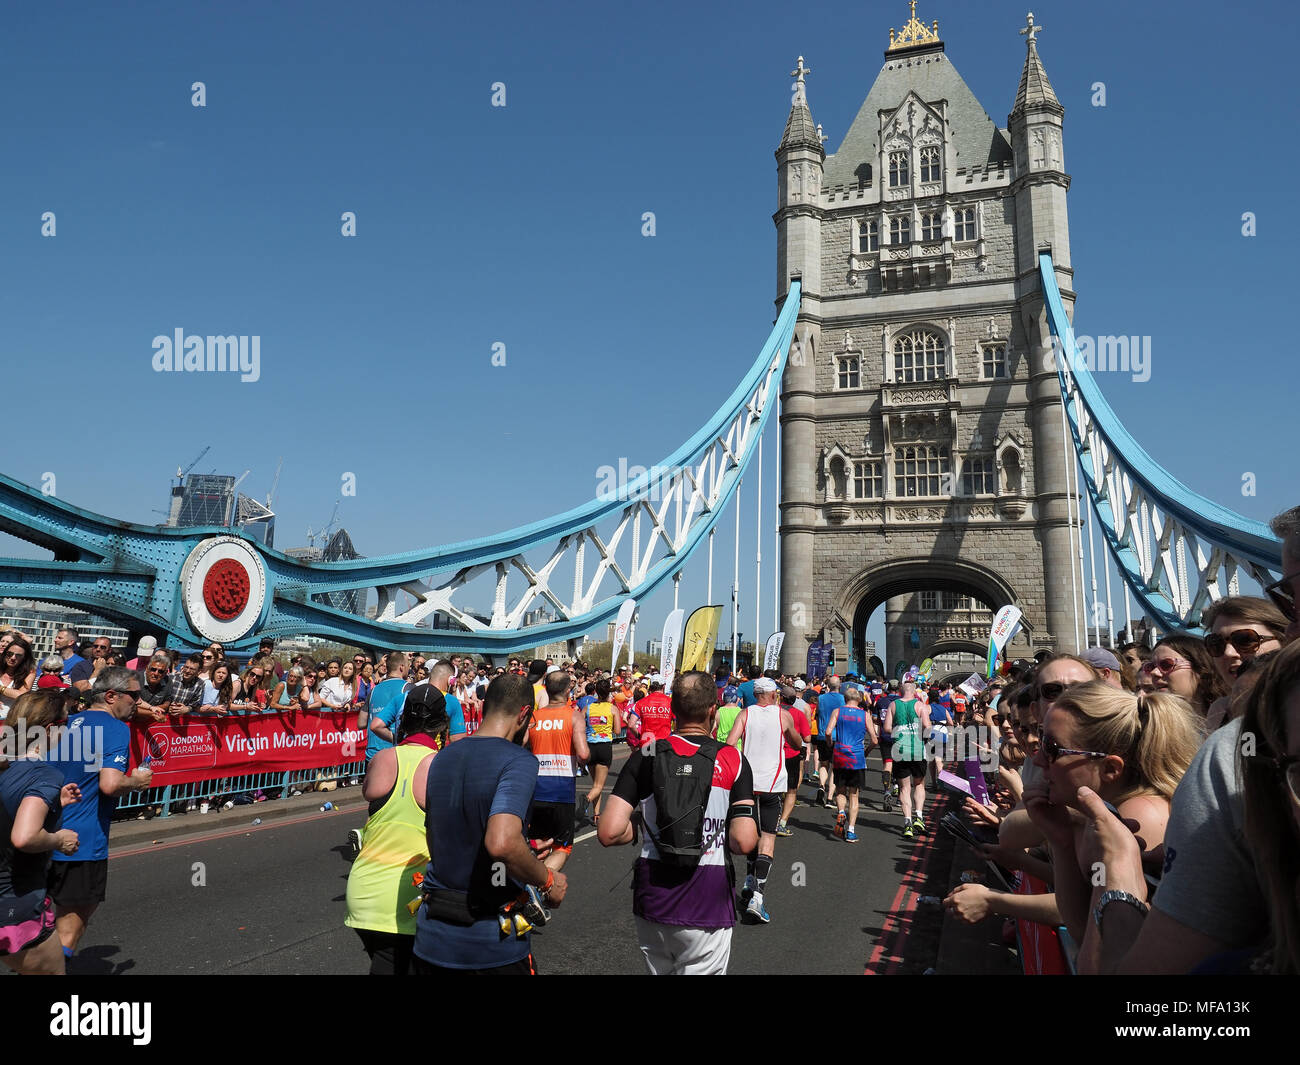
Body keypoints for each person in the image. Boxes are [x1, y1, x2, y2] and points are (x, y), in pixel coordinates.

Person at [1020, 682, 1202, 972]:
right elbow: (1082, 931)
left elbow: (1095, 964)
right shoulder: (1113, 814)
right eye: (1041, 740)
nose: (1038, 759)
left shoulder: (1139, 818)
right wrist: (1062, 841)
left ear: (1110, 769)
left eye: (1052, 748)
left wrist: (1110, 875)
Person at [598, 670, 757, 974]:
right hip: (708, 896)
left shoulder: (645, 755)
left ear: (673, 709)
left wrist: (643, 825)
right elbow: (744, 841)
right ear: (714, 709)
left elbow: (608, 832)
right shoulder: (733, 759)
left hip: (653, 892)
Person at [412, 673, 566, 975]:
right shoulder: (518, 760)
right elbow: (503, 841)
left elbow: (435, 837)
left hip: (432, 937)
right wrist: (548, 879)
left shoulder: (441, 759)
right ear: (524, 713)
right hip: (490, 944)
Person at [46, 667, 154, 962]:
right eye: (134, 695)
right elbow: (110, 784)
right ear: (111, 696)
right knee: (72, 923)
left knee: (45, 921)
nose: (139, 702)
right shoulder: (116, 728)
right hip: (83, 840)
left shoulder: (66, 722)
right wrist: (137, 781)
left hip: (43, 836)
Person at [345, 685, 449, 975]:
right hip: (409, 895)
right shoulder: (441, 766)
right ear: (442, 724)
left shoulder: (382, 759)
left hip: (364, 890)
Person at [0, 690, 82, 975]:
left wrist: (50, 802)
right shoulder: (44, 774)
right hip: (15, 904)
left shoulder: (6, 765)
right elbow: (23, 836)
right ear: (50, 728)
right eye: (66, 724)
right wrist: (60, 838)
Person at [724, 677, 804, 923]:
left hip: (746, 783)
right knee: (767, 840)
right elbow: (797, 742)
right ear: (771, 695)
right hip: (772, 785)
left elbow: (729, 743)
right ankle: (757, 897)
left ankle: (749, 880)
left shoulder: (745, 714)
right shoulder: (782, 716)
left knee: (751, 836)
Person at [523, 670, 588, 910]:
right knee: (562, 846)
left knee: (535, 842)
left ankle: (521, 887)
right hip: (561, 789)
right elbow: (582, 754)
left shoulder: (535, 716)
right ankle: (536, 883)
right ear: (568, 690)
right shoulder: (574, 715)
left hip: (535, 788)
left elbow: (520, 746)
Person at [821, 685, 875, 842]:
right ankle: (851, 831)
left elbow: (828, 732)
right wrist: (866, 752)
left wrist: (830, 744)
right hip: (856, 757)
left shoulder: (837, 711)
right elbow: (874, 739)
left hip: (840, 755)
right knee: (854, 794)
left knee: (840, 790)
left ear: (845, 699)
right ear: (859, 700)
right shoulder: (864, 715)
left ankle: (841, 813)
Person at [1137, 632, 1227, 719]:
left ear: (1200, 670)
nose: (1154, 672)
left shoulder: (1232, 720)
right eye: (1150, 667)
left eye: (1166, 665)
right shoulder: (1148, 725)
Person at [885, 679, 931, 839]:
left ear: (900, 692)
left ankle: (908, 823)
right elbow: (927, 725)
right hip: (918, 750)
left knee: (904, 788)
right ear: (914, 692)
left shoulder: (893, 705)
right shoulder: (920, 706)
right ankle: (919, 815)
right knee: (919, 784)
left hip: (900, 750)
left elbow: (886, 728)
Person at [582, 678, 620, 825]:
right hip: (604, 747)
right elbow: (617, 730)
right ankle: (586, 800)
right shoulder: (612, 709)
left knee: (595, 784)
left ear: (596, 691)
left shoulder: (588, 708)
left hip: (590, 747)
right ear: (608, 692)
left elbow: (579, 724)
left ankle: (596, 814)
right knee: (599, 786)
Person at [775, 683, 810, 837]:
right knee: (791, 790)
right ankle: (782, 823)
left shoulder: (773, 712)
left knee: (773, 789)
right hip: (792, 755)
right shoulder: (798, 714)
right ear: (794, 700)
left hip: (774, 754)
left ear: (780, 698)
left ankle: (770, 820)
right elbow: (807, 738)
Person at [814, 675, 844, 809]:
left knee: (824, 764)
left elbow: (818, 714)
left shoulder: (821, 698)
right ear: (840, 686)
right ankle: (830, 798)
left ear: (828, 686)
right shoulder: (843, 699)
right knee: (835, 768)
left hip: (822, 735)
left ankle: (821, 786)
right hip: (838, 737)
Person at [0, 636, 37, 713]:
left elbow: (21, 695)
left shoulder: (30, 672)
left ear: (25, 657)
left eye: (18, 655)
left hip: (12, 718)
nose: (13, 658)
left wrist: (1, 688)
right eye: (10, 654)